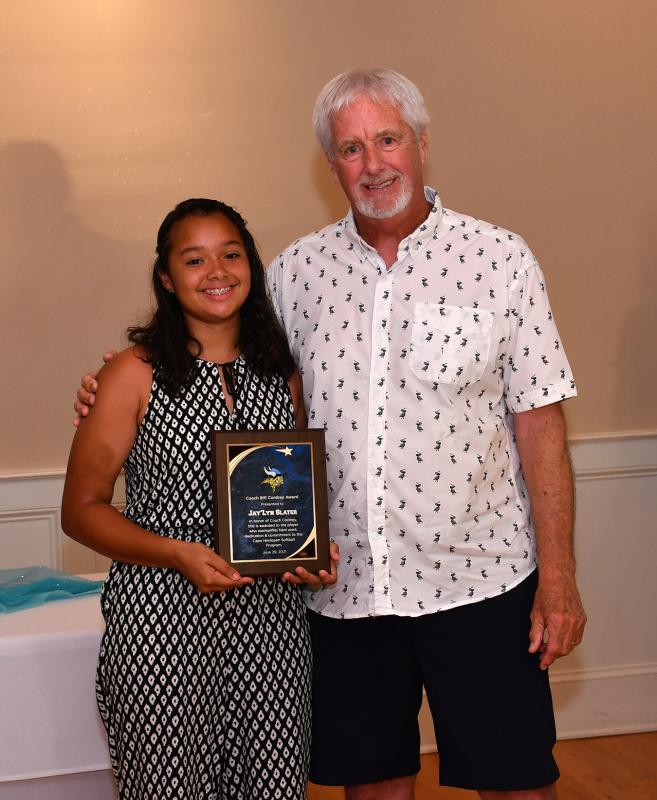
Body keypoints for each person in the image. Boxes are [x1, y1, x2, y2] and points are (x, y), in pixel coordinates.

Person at [75, 70, 587, 799]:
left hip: (480, 582)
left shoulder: (500, 260)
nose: (373, 163)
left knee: (516, 784)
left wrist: (559, 578)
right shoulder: (293, 275)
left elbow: (539, 420)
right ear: (331, 165)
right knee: (372, 786)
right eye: (350, 148)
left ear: (421, 144)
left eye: (387, 140)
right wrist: (110, 384)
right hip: (342, 593)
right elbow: (219, 352)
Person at [63, 198, 337, 800]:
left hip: (271, 630)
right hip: (161, 625)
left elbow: (290, 497)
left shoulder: (282, 374)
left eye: (230, 254)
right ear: (166, 277)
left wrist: (312, 555)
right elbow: (80, 510)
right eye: (194, 259)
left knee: (273, 786)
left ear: (251, 265)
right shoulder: (133, 372)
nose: (216, 271)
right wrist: (177, 554)